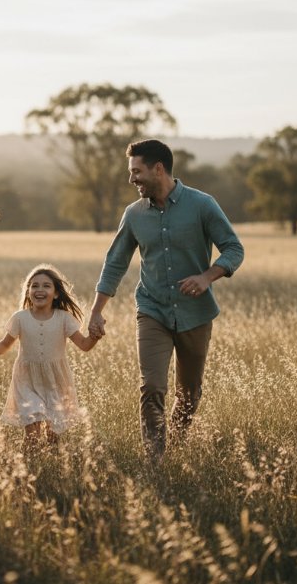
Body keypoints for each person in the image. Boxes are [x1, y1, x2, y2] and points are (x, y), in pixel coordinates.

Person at [88, 139, 244, 462]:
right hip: (152, 311)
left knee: (188, 394)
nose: (132, 179)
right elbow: (115, 262)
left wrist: (206, 277)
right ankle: (155, 459)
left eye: (136, 172)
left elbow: (234, 249)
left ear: (158, 169)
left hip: (196, 314)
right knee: (152, 388)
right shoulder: (133, 215)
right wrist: (96, 311)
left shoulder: (202, 205)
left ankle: (175, 444)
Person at [0, 264, 100, 453]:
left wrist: (94, 336)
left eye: (46, 286)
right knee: (32, 431)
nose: (39, 290)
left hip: (55, 382)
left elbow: (84, 345)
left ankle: (53, 467)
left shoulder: (64, 318)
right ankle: (27, 467)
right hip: (26, 381)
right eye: (34, 286)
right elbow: (3, 346)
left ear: (56, 293)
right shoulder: (20, 318)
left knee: (52, 435)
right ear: (28, 292)